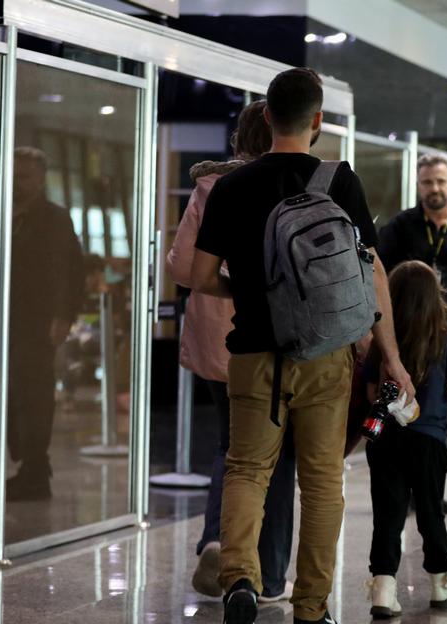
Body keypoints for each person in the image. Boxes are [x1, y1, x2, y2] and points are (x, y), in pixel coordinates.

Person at [189, 67, 415, 624]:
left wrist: (243, 286)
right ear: (317, 120)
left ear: (266, 117)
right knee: (319, 482)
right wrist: (391, 355)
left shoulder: (231, 186)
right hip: (325, 356)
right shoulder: (340, 181)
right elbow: (372, 275)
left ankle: (240, 579)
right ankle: (311, 607)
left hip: (251, 355)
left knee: (246, 469)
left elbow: (197, 275)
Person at [165, 101, 295, 603]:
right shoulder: (295, 184)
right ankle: (270, 575)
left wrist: (226, 282)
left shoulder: (209, 188)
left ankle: (216, 540)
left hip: (216, 340)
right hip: (276, 339)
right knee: (276, 455)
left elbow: (180, 266)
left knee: (231, 447)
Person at [363, 260, 447, 619]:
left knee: (388, 515)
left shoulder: (382, 343)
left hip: (386, 442)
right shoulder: (444, 339)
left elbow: (371, 392)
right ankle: (441, 580)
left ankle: (383, 588)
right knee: (430, 512)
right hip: (429, 443)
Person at [1, 146, 84, 501]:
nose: (19, 183)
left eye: (26, 176)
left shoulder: (54, 218)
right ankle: (28, 465)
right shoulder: (10, 215)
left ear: (39, 180)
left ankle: (35, 469)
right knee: (14, 395)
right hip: (9, 320)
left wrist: (64, 316)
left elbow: (72, 271)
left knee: (33, 396)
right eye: (15, 175)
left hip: (39, 323)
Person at [376, 153, 447, 424]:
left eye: (441, 181)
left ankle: (433, 456)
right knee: (399, 400)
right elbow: (378, 276)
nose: (434, 188)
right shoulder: (400, 226)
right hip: (405, 330)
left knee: (444, 404)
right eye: (427, 182)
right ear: (418, 185)